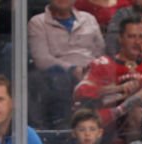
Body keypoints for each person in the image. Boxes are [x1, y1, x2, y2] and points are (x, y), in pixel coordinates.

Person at [74, 16, 142, 144]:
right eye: (131, 37)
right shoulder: (104, 63)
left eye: (141, 37)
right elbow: (80, 91)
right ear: (120, 39)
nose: (137, 42)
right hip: (114, 121)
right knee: (136, 111)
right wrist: (118, 89)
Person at [27, 0, 105, 130]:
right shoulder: (37, 22)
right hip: (57, 78)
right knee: (55, 77)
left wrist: (92, 71)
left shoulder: (89, 19)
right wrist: (72, 69)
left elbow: (101, 52)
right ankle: (62, 132)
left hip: (91, 74)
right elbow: (41, 59)